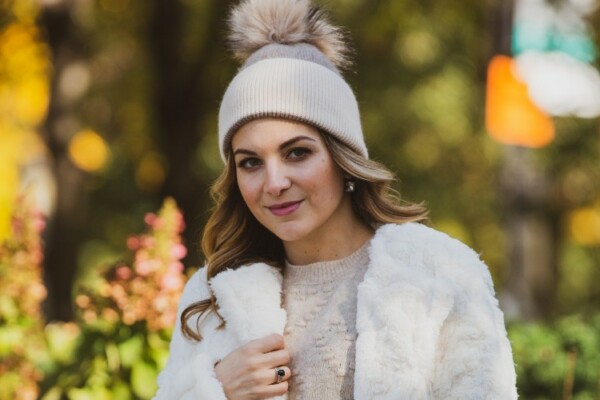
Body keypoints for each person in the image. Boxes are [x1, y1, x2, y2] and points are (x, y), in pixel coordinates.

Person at [154, 0, 518, 399]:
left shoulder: (439, 273)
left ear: (343, 159)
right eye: (251, 162)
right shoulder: (211, 296)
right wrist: (215, 390)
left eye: (297, 153)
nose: (274, 183)